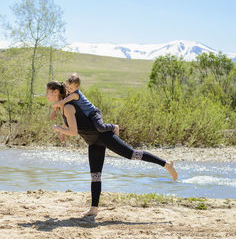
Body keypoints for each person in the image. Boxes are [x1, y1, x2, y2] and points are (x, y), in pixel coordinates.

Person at [46, 81, 177, 217]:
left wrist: (59, 129)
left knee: (132, 154)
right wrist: (63, 131)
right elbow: (75, 123)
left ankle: (166, 164)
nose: (46, 96)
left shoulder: (67, 106)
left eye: (47, 93)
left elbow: (73, 132)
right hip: (93, 142)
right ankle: (94, 208)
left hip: (103, 137)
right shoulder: (64, 106)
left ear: (56, 92)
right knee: (95, 176)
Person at [50, 73, 120, 137]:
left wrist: (54, 105)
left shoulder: (74, 95)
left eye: (71, 88)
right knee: (94, 128)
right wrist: (55, 111)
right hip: (88, 115)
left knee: (100, 127)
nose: (68, 90)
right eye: (67, 87)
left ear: (77, 88)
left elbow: (62, 102)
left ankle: (114, 127)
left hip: (93, 113)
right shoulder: (70, 93)